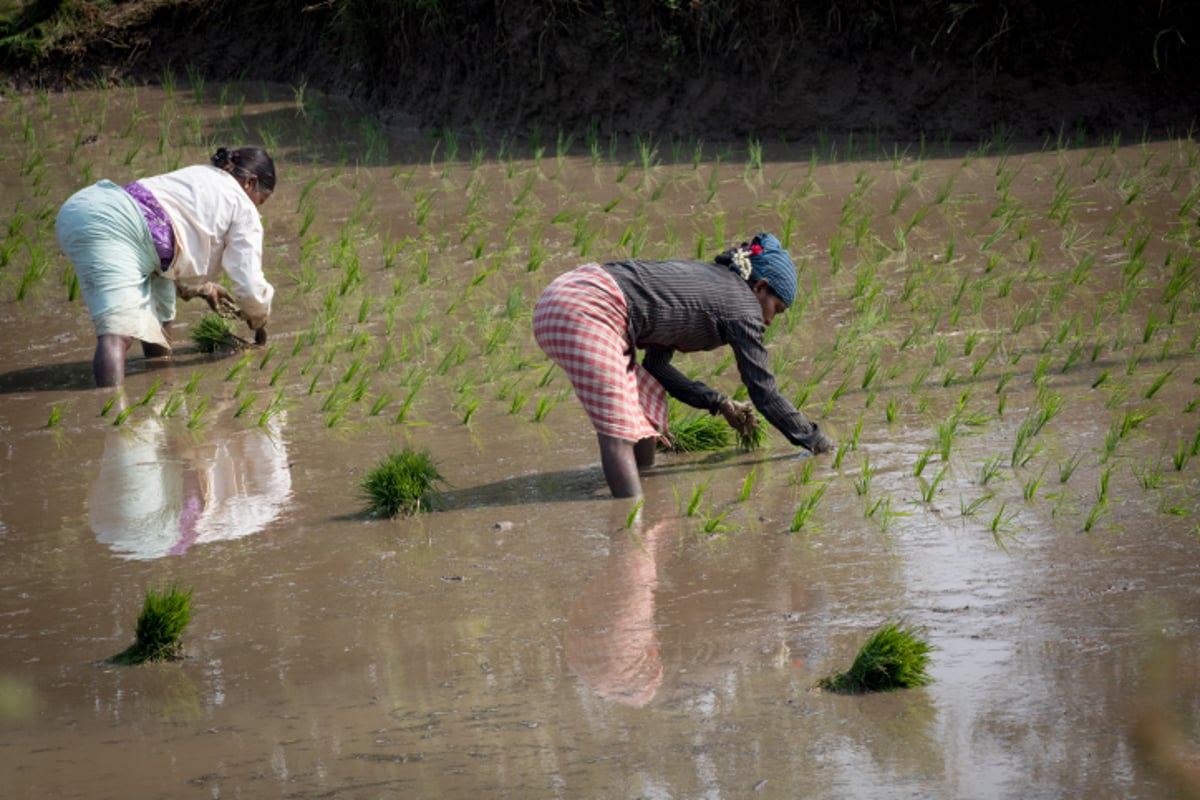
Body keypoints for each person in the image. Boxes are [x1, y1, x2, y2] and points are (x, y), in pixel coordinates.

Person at [533, 232, 834, 498]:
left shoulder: (711, 286)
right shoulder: (743, 305)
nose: (769, 321)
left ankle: (646, 480)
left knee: (644, 402)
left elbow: (656, 367)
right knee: (619, 430)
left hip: (566, 294)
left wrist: (719, 403)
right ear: (760, 288)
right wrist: (818, 442)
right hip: (587, 305)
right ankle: (630, 526)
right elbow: (764, 392)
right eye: (776, 309)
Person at [56, 146, 276, 387]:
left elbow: (172, 236)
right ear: (250, 182)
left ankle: (163, 391)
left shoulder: (200, 175)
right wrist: (258, 319)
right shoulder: (242, 205)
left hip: (93, 209)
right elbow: (249, 283)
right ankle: (112, 419)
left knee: (160, 319)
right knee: (117, 334)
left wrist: (204, 289)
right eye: (261, 201)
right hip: (116, 225)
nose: (257, 209)